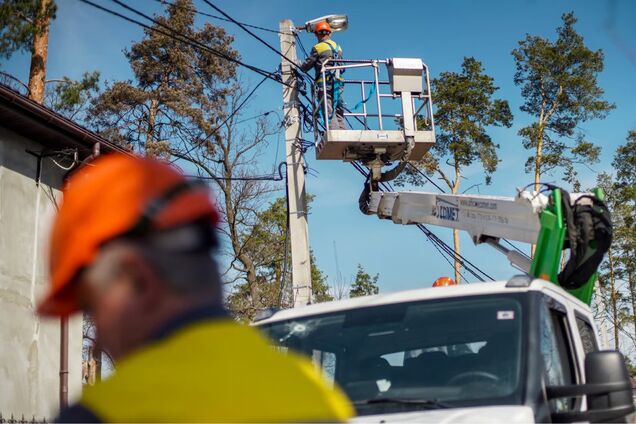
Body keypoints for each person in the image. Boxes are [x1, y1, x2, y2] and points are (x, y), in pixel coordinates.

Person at [38, 154, 353, 422]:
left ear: (138, 281)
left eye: (92, 308)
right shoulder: (317, 394)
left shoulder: (106, 415)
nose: (98, 340)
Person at [300, 21, 347, 130]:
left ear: (316, 34)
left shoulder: (318, 47)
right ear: (330, 34)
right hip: (338, 84)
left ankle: (335, 134)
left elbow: (306, 66)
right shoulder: (338, 47)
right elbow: (343, 66)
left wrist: (299, 65)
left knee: (328, 109)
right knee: (339, 110)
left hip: (325, 84)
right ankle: (344, 133)